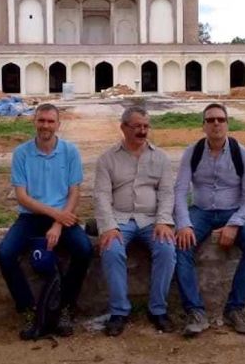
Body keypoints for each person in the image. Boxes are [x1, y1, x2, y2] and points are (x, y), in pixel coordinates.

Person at [0, 103, 92, 339]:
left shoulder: (70, 152)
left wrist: (58, 223)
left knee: (84, 249)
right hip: (31, 216)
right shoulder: (22, 153)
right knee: (5, 254)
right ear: (34, 122)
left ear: (58, 125)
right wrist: (55, 215)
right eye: (41, 121)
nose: (45, 126)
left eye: (50, 121)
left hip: (63, 216)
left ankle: (65, 308)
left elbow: (74, 193)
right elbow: (22, 196)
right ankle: (29, 310)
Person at [174, 103, 245, 337]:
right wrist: (183, 224)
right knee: (181, 245)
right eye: (211, 120)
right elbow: (179, 191)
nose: (216, 124)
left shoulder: (240, 153)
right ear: (203, 125)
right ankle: (195, 311)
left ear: (228, 123)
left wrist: (234, 224)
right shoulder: (192, 152)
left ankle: (235, 309)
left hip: (233, 211)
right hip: (201, 211)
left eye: (220, 120)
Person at [94, 106, 176, 336]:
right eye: (137, 126)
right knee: (111, 250)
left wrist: (163, 221)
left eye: (146, 126)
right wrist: (108, 227)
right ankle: (119, 312)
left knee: (167, 249)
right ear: (123, 128)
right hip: (120, 219)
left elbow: (167, 193)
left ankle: (158, 310)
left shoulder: (160, 157)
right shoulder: (107, 159)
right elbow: (101, 195)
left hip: (152, 220)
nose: (142, 131)